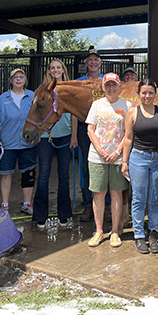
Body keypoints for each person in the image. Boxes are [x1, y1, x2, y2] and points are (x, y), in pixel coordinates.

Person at [122, 79, 158, 254]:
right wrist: (125, 162)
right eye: (144, 93)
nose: (147, 96)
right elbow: (128, 138)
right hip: (138, 158)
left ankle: (153, 233)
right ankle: (139, 236)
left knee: (155, 199)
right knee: (139, 199)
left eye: (150, 93)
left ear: (156, 94)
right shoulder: (133, 112)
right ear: (138, 94)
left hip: (157, 159)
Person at [85, 72, 132, 248]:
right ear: (103, 87)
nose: (111, 88)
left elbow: (129, 132)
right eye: (108, 85)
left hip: (118, 158)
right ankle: (98, 231)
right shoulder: (97, 105)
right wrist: (101, 150)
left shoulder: (126, 105)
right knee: (98, 193)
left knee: (116, 193)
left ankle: (114, 231)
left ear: (120, 87)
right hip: (97, 157)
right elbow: (90, 129)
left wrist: (118, 152)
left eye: (114, 85)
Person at [0, 68, 37, 214]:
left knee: (29, 173)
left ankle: (27, 204)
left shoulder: (32, 97)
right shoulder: (3, 99)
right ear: (11, 80)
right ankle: (5, 205)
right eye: (15, 77)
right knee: (6, 173)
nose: (18, 79)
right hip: (7, 143)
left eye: (21, 77)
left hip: (28, 142)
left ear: (25, 80)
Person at [32, 60, 73, 229]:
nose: (56, 70)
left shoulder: (70, 89)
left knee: (64, 176)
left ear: (63, 70)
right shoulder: (42, 89)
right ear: (48, 71)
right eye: (52, 68)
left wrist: (74, 136)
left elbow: (75, 114)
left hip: (65, 135)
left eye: (59, 67)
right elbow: (36, 112)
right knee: (43, 175)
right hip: (45, 137)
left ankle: (64, 215)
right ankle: (40, 215)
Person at [71, 47, 104, 222]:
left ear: (99, 63)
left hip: (105, 130)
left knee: (106, 165)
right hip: (85, 129)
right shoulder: (79, 83)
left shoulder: (107, 82)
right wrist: (74, 135)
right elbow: (74, 111)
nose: (93, 62)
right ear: (86, 63)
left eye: (95, 60)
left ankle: (105, 206)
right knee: (86, 166)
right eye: (90, 60)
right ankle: (87, 204)